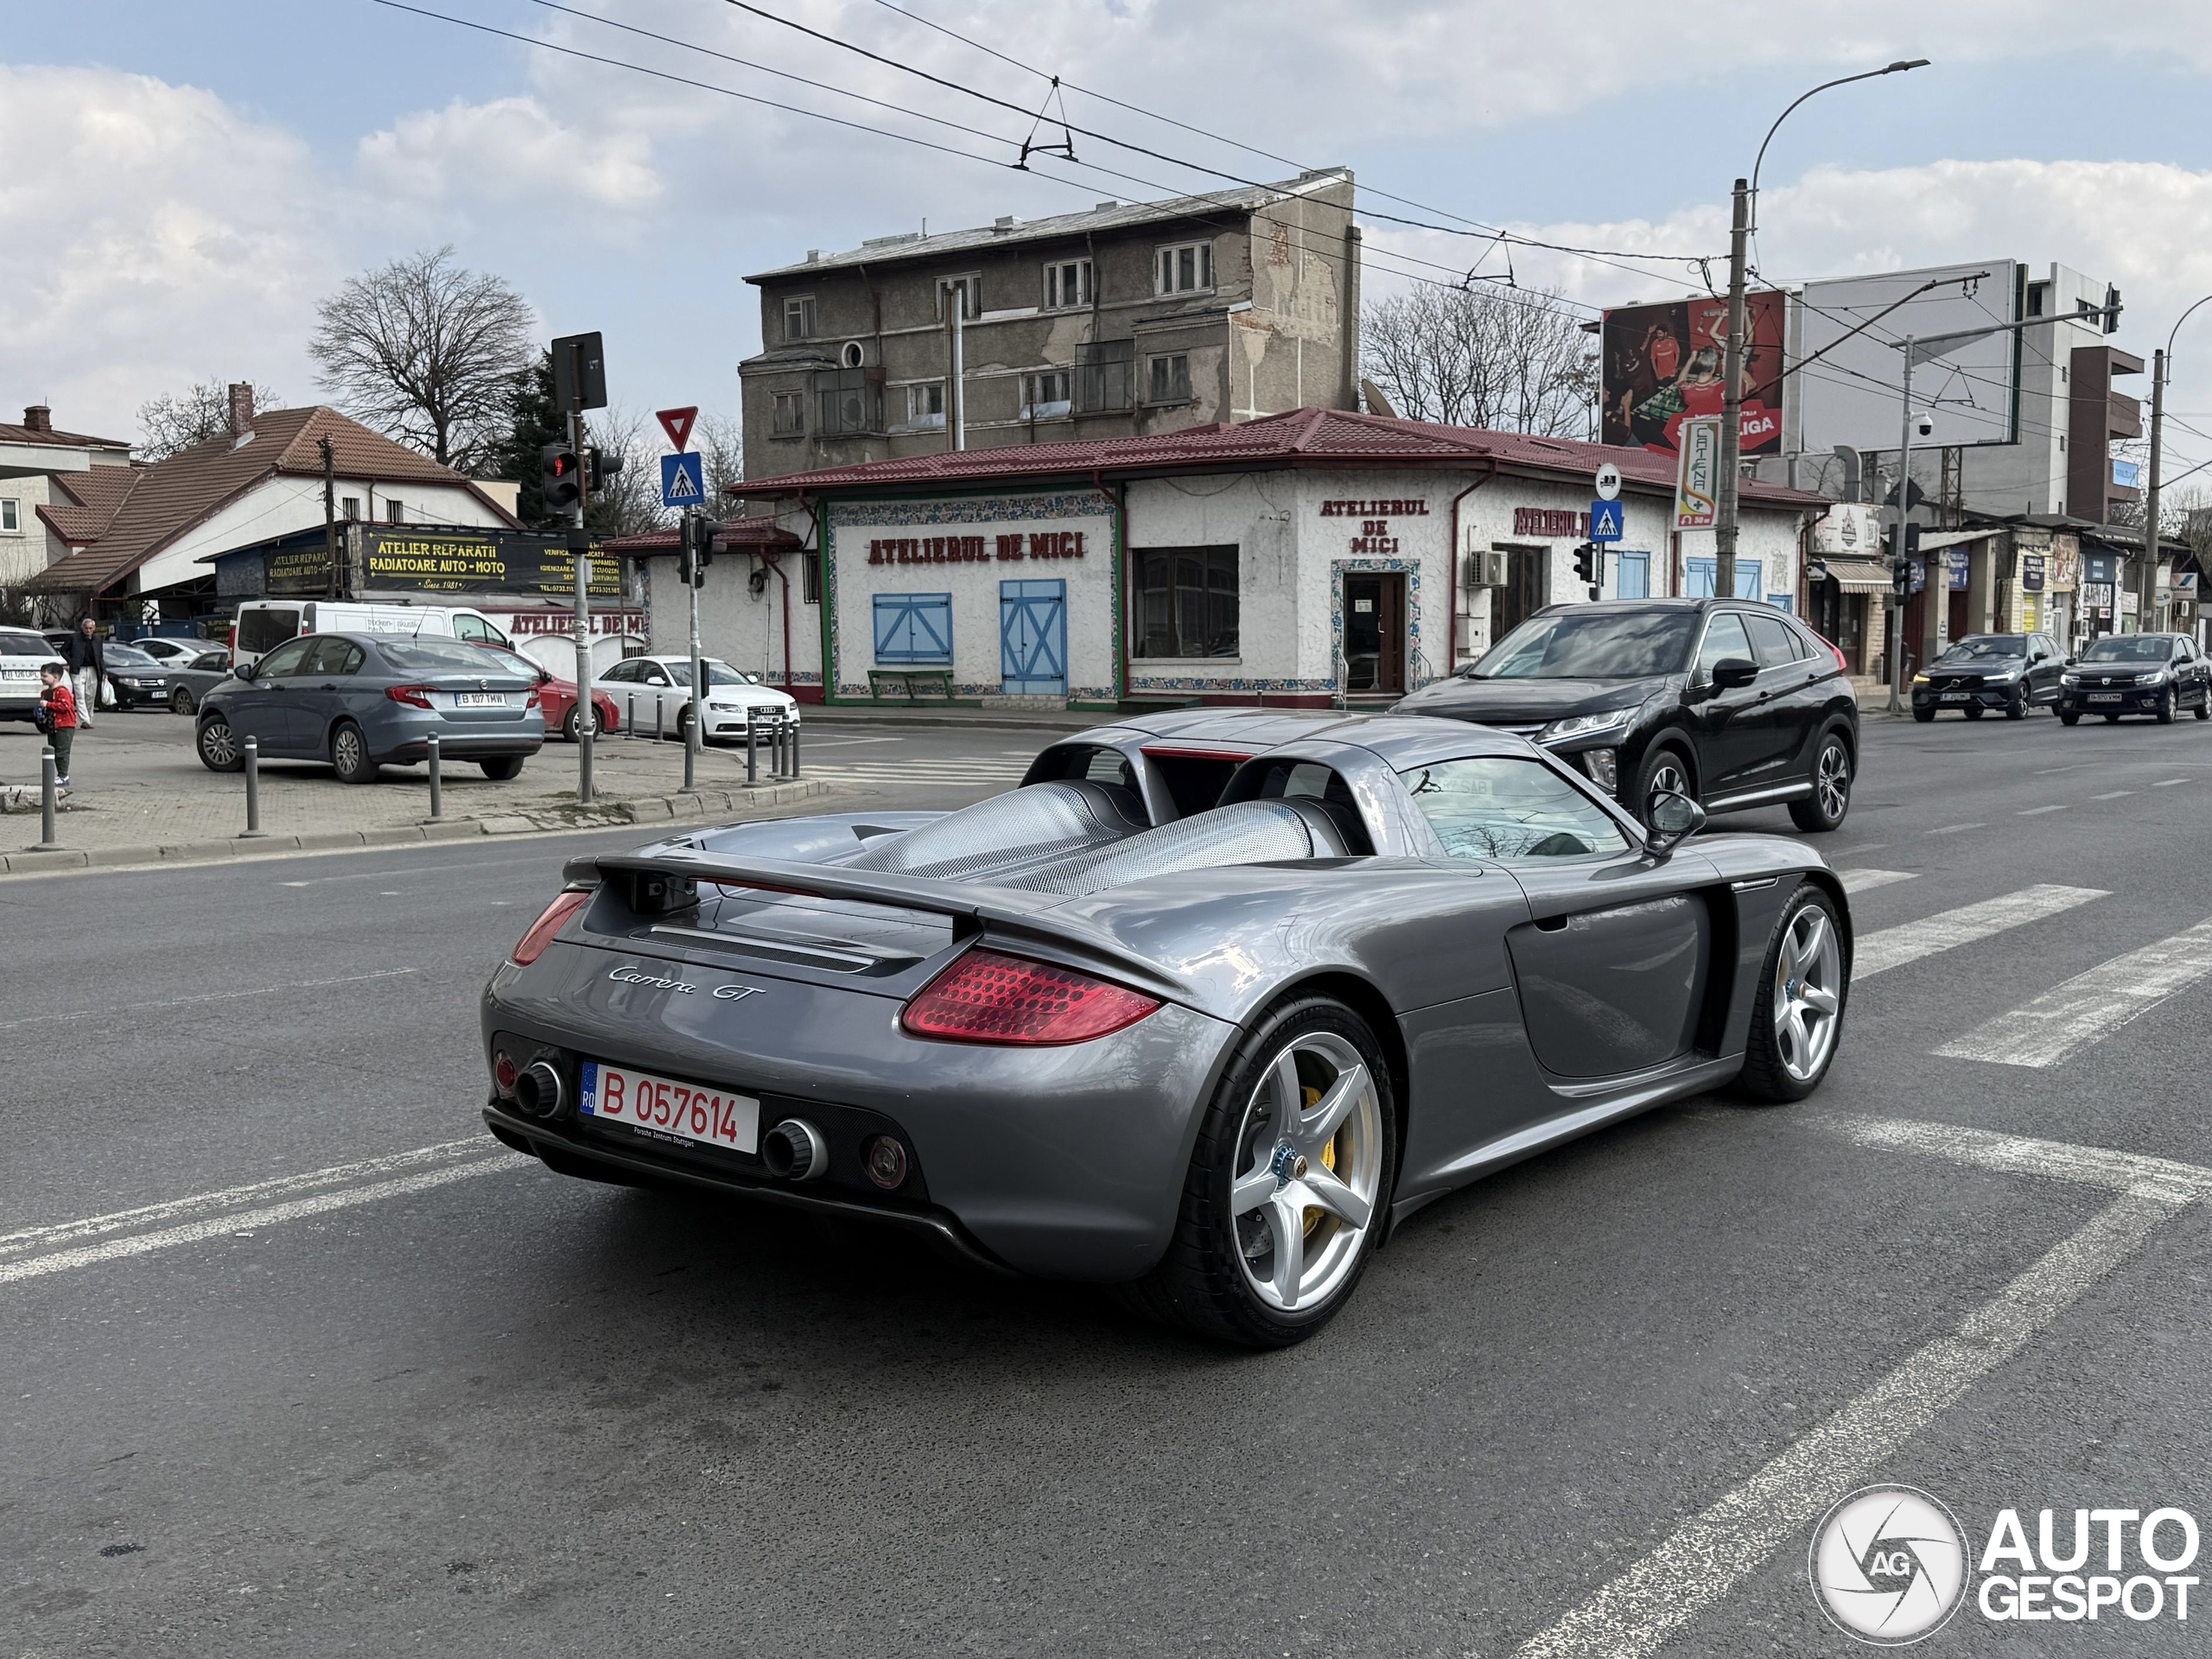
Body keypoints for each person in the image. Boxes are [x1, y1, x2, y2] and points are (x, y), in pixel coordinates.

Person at [38, 662, 77, 786]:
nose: (42, 678)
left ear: (56, 677)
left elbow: (66, 707)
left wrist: (48, 705)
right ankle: (59, 775)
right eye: (42, 676)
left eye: (45, 676)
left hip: (65, 725)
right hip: (53, 725)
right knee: (53, 751)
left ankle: (63, 776)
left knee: (62, 751)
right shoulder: (46, 692)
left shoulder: (62, 691)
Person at [64, 616, 105, 728]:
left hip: (93, 669)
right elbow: (63, 650)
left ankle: (89, 719)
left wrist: (104, 671)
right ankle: (84, 720)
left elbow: (100, 657)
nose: (88, 630)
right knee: (80, 695)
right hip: (78, 670)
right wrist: (71, 662)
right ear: (82, 628)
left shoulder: (97, 639)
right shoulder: (74, 638)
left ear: (94, 628)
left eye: (90, 628)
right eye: (86, 628)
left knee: (90, 696)